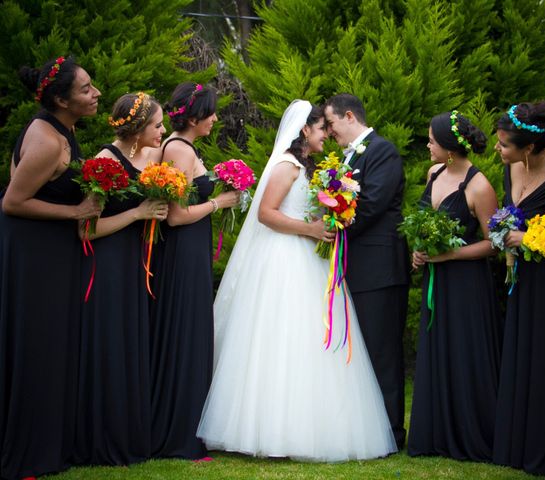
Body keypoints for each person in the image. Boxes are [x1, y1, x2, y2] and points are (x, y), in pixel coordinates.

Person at [196, 99, 397, 461]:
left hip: (308, 257)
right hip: (284, 259)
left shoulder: (310, 168)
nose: (328, 136)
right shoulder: (287, 166)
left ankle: (314, 424)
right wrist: (311, 229)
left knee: (312, 339)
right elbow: (266, 214)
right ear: (305, 130)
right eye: (322, 129)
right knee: (281, 338)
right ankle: (270, 427)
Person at [0, 56, 102, 480]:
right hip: (34, 255)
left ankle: (51, 443)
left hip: (50, 253)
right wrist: (76, 211)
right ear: (61, 99)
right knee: (38, 348)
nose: (95, 93)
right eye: (84, 89)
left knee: (53, 347)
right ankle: (28, 452)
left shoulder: (63, 129)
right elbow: (11, 202)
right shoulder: (47, 141)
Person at [74, 92, 169, 466]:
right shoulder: (104, 161)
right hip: (108, 265)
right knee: (110, 343)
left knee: (133, 342)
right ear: (137, 128)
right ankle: (102, 439)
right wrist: (138, 214)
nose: (163, 131)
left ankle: (132, 435)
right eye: (157, 125)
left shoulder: (150, 157)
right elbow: (85, 230)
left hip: (138, 263)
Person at [150, 82, 238, 460]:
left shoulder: (180, 147)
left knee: (189, 332)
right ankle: (178, 433)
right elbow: (175, 216)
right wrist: (218, 202)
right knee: (184, 334)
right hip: (182, 254)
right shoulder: (179, 150)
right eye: (212, 112)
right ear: (196, 115)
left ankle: (185, 427)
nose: (216, 119)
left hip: (190, 251)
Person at [407, 111, 500, 461]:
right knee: (437, 351)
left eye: (431, 139)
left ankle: (469, 433)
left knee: (463, 353)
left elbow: (495, 244)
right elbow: (422, 221)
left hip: (465, 284)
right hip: (436, 278)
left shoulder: (479, 186)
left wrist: (450, 255)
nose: (428, 144)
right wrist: (419, 249)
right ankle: (435, 433)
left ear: (448, 148)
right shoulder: (434, 173)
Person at [491, 101, 545, 475]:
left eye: (504, 144)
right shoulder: (512, 166)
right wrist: (505, 241)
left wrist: (524, 239)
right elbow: (509, 213)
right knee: (519, 349)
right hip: (521, 276)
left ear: (528, 148)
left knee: (543, 356)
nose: (497, 149)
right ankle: (515, 442)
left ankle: (542, 447)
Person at [323, 93, 410, 449]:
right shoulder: (347, 156)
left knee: (382, 350)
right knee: (360, 352)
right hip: (356, 266)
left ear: (348, 117)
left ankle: (391, 432)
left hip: (380, 268)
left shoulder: (381, 151)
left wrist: (331, 225)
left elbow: (372, 203)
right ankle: (366, 428)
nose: (328, 132)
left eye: (330, 124)